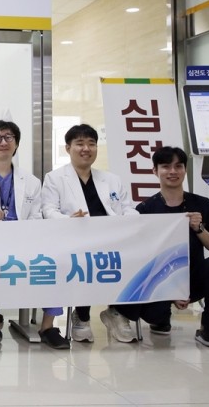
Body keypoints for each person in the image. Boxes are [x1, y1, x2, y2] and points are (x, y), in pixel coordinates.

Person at [111, 146, 209, 348]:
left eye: (178, 166)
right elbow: (139, 256)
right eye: (166, 166)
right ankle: (160, 319)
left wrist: (199, 228)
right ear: (155, 171)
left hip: (193, 277)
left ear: (185, 170)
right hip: (158, 282)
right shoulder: (145, 210)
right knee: (154, 313)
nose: (173, 172)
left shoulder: (203, 204)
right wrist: (172, 291)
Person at [0, 120, 69, 350]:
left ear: (16, 143)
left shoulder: (31, 181)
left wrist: (23, 236)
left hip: (24, 242)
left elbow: (36, 217)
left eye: (8, 137)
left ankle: (48, 326)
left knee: (55, 263)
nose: (3, 142)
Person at [41, 123, 138, 343]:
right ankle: (82, 316)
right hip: (76, 241)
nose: (86, 148)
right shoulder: (55, 178)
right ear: (68, 148)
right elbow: (48, 210)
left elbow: (127, 208)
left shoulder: (111, 179)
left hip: (112, 240)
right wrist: (69, 221)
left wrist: (129, 219)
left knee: (134, 258)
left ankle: (117, 311)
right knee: (84, 260)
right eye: (80, 143)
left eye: (91, 144)